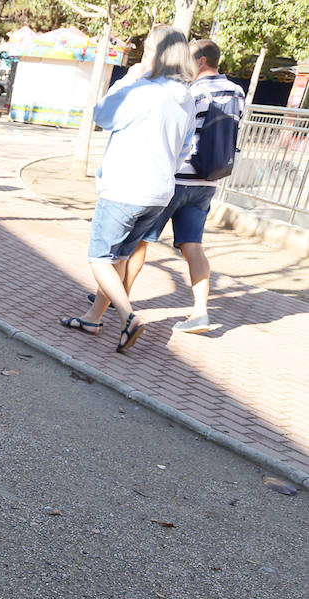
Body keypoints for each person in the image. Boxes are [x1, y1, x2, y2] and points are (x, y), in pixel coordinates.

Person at [88, 38, 246, 335]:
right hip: (207, 182)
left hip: (172, 181)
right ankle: (200, 311)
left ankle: (120, 303)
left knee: (134, 246)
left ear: (199, 62)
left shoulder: (189, 92)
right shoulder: (236, 92)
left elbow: (114, 117)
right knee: (193, 246)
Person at [59, 26, 195, 354]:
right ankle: (93, 318)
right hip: (160, 191)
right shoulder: (187, 97)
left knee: (99, 258)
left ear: (156, 55)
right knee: (119, 256)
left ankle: (128, 316)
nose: (143, 56)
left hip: (126, 188)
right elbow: (185, 148)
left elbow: (103, 115)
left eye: (147, 49)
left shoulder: (143, 91)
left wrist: (128, 79)